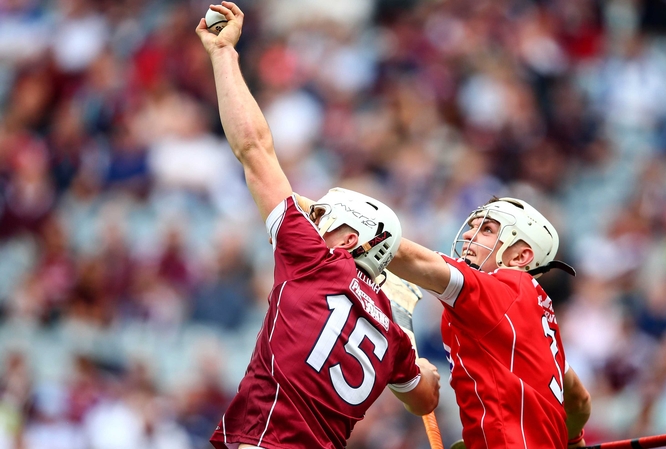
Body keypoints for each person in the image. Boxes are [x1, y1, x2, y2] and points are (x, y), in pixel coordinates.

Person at [195, 4, 440, 449]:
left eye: (324, 217)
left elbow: (254, 149)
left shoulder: (316, 259)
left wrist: (224, 54)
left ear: (351, 240)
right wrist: (421, 367)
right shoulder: (393, 334)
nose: (311, 219)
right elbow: (424, 400)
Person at [389, 197, 592, 449]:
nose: (469, 235)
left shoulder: (503, 289)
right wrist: (572, 442)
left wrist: (353, 233)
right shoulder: (539, 320)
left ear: (520, 256)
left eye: (486, 230)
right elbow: (580, 403)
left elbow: (401, 254)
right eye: (472, 226)